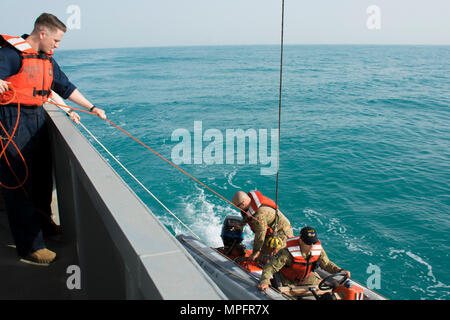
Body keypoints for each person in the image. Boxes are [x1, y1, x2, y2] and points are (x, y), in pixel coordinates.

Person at [0, 13, 106, 265]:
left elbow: (65, 87)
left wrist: (91, 107)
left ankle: (45, 226)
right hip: (12, 122)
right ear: (42, 33)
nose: (57, 46)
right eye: (56, 41)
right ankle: (30, 247)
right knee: (20, 184)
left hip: (37, 120)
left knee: (42, 180)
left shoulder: (46, 60)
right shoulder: (11, 54)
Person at [257, 226, 351, 292]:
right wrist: (265, 280)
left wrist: (340, 270)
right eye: (309, 243)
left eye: (314, 243)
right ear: (301, 241)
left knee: (332, 286)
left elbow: (326, 264)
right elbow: (270, 268)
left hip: (306, 278)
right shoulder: (287, 253)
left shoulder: (317, 249)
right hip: (287, 281)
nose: (312, 246)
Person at [232, 190, 294, 264]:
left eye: (238, 206)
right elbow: (248, 216)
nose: (238, 208)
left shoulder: (259, 215)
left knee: (272, 259)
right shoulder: (250, 203)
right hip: (270, 231)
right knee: (262, 255)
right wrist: (241, 224)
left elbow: (260, 235)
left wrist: (255, 253)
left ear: (243, 203)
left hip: (282, 232)